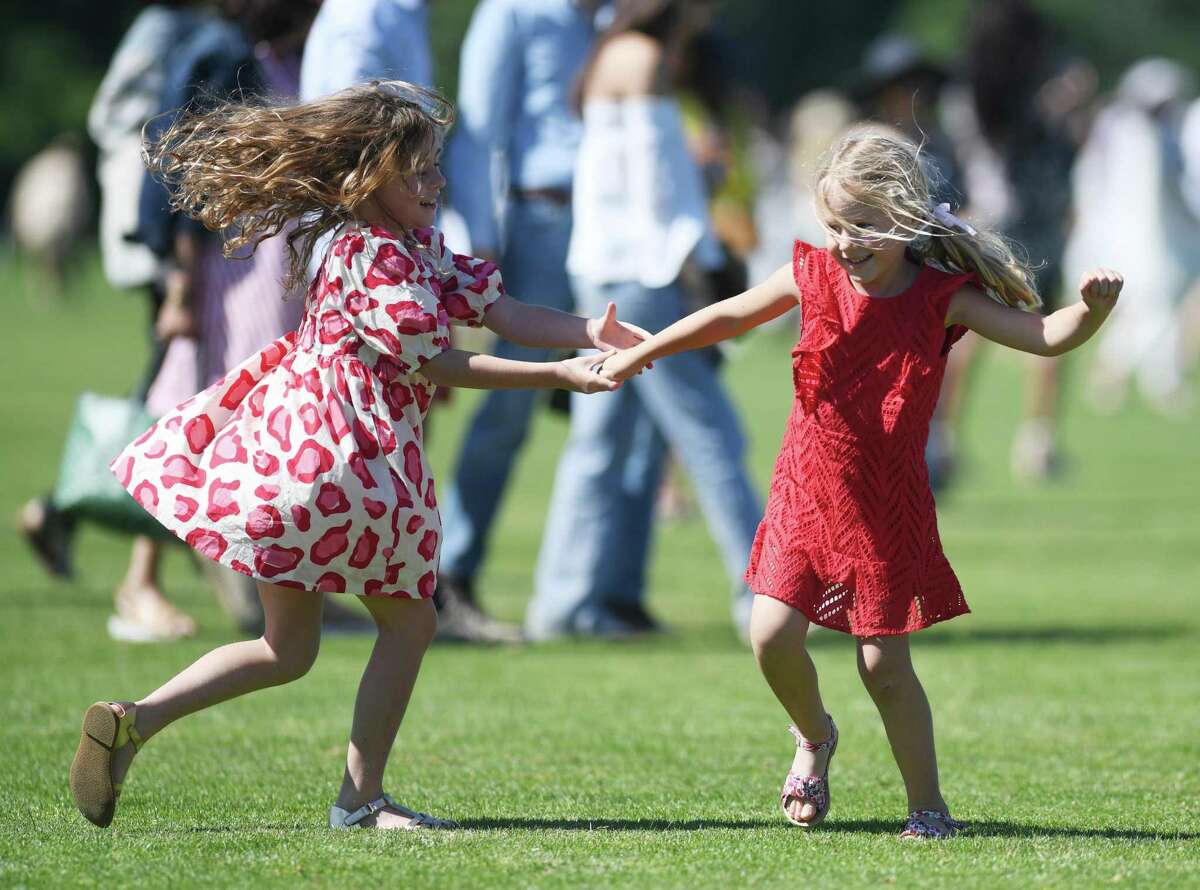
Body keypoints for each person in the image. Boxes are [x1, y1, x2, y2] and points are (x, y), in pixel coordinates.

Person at [68, 81, 648, 831]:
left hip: (299, 458)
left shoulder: (408, 247)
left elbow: (500, 310)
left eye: (437, 166)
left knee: (286, 648)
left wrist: (587, 333)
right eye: (421, 170)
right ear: (369, 175)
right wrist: (556, 376)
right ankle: (360, 800)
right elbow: (438, 361)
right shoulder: (377, 256)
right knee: (409, 626)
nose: (438, 182)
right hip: (351, 463)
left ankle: (132, 720)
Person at [597, 128, 1123, 838]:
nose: (846, 243)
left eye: (865, 225)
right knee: (770, 635)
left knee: (884, 669)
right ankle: (814, 736)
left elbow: (1045, 337)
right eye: (836, 226)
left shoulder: (944, 299)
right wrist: (645, 350)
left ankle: (928, 808)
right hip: (804, 492)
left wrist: (1090, 312)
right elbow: (727, 317)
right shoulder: (812, 276)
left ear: (906, 218)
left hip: (882, 510)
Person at [524, 0, 764, 640]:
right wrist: (700, 263)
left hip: (606, 267)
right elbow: (662, 190)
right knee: (711, 434)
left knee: (603, 445)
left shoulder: (613, 52)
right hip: (649, 275)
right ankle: (763, 597)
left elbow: (628, 176)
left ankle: (570, 604)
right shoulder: (649, 58)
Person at [19, 1, 209, 641]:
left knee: (170, 393)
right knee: (174, 400)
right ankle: (133, 571)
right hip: (168, 235)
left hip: (178, 231)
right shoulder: (172, 25)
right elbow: (125, 116)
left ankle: (63, 512)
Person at [436, 0, 598, 638]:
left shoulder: (605, 17)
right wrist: (480, 238)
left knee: (617, 410)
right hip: (540, 221)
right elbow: (477, 131)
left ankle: (599, 593)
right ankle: (450, 575)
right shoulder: (513, 12)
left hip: (606, 221)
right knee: (509, 404)